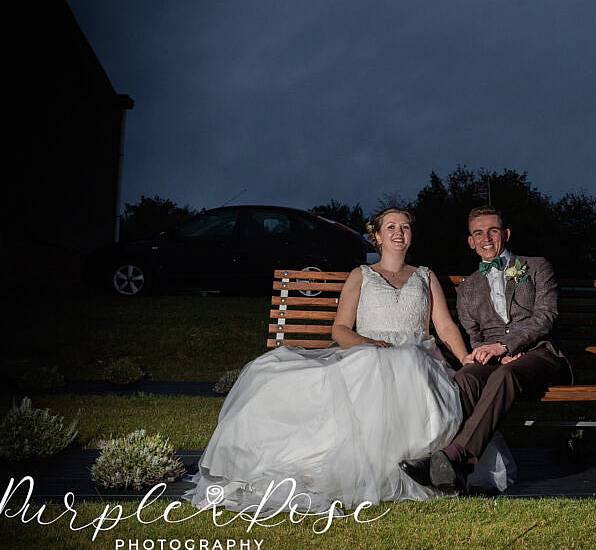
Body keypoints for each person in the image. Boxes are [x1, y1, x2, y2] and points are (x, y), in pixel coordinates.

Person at [183, 207, 468, 513]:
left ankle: (411, 463)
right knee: (270, 373)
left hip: (416, 358)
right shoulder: (362, 275)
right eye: (391, 227)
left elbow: (445, 326)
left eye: (405, 227)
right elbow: (341, 329)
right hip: (368, 352)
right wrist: (369, 343)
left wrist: (467, 360)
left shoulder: (424, 276)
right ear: (377, 237)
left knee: (407, 360)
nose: (399, 233)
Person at [399, 206, 569, 494]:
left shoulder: (537, 266)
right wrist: (489, 353)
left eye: (492, 231)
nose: (486, 238)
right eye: (478, 233)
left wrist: (508, 346)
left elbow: (545, 317)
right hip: (498, 361)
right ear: (470, 241)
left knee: (506, 374)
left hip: (540, 354)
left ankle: (456, 459)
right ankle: (435, 455)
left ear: (505, 234)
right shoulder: (468, 289)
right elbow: (475, 336)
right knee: (465, 378)